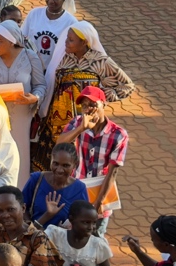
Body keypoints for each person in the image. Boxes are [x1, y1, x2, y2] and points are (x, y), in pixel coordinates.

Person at [35, 22, 134, 180]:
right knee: (53, 164)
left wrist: (100, 98)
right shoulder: (63, 57)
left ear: (84, 42)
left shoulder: (100, 62)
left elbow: (127, 86)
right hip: (56, 121)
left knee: (76, 165)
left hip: (84, 122)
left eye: (71, 40)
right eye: (66, 38)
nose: (66, 43)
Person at [55, 86, 130, 236]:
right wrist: (81, 128)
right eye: (84, 106)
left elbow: (112, 173)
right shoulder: (77, 123)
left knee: (96, 238)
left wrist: (99, 202)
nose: (88, 109)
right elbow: (59, 144)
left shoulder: (118, 135)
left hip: (100, 194)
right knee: (70, 235)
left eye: (93, 105)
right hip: (76, 190)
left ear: (104, 104)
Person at [0, 20, 45, 185]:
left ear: (12, 42)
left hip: (21, 119)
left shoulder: (30, 57)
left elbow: (40, 85)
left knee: (19, 156)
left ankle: (18, 194)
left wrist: (35, 98)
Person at [22, 143, 88, 227]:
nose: (59, 170)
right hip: (34, 234)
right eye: (56, 164)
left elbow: (84, 219)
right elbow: (21, 207)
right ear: (50, 161)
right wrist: (29, 225)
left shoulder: (79, 189)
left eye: (66, 165)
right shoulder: (37, 180)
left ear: (75, 165)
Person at [21, 0, 78, 71]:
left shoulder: (71, 22)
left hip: (55, 70)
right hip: (31, 67)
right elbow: (22, 37)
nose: (50, 1)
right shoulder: (34, 14)